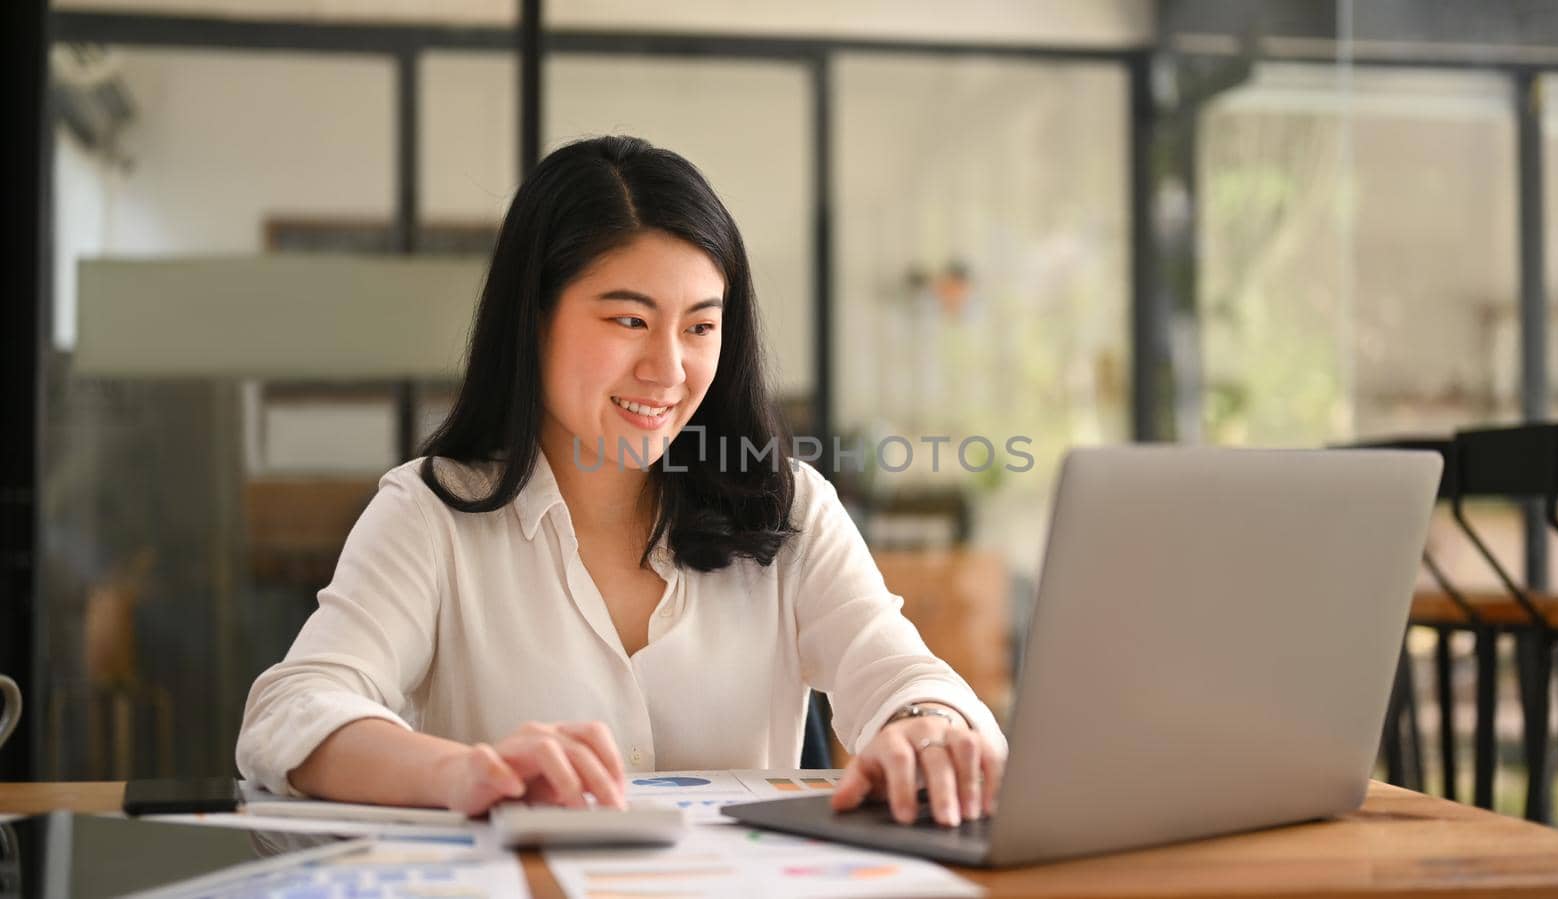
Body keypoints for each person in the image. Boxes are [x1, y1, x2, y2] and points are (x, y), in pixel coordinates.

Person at [236, 135, 1006, 828]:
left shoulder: (786, 503)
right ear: (534, 318)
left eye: (701, 326)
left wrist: (925, 726)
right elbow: (292, 711)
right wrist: (463, 771)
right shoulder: (431, 513)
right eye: (629, 321)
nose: (668, 369)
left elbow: (904, 673)